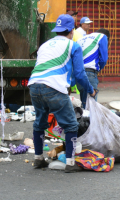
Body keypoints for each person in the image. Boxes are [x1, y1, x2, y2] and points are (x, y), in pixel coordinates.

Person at [28, 14, 96, 173]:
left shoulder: (44, 45)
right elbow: (79, 74)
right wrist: (90, 90)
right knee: (71, 124)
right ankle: (71, 163)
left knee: (40, 122)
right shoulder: (73, 46)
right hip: (53, 88)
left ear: (57, 30)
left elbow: (59, 70)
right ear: (72, 30)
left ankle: (38, 159)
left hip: (34, 85)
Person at [76, 28, 110, 108]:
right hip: (90, 73)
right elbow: (104, 59)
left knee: (84, 103)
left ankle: (84, 120)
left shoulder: (80, 39)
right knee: (91, 107)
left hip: (78, 74)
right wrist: (98, 69)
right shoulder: (102, 37)